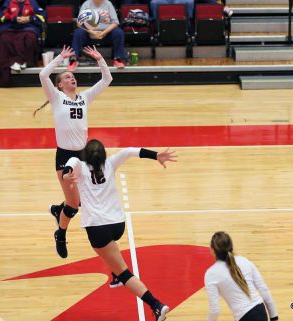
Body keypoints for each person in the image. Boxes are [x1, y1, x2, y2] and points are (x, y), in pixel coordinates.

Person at [62, 139, 176, 321]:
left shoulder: (80, 166)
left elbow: (71, 163)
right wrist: (156, 156)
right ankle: (115, 273)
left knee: (124, 272)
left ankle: (156, 305)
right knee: (112, 255)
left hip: (98, 228)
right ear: (103, 154)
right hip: (117, 225)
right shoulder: (110, 163)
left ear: (85, 156)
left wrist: (67, 173)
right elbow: (131, 150)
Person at [36, 45, 112, 259]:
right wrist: (60, 58)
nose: (72, 79)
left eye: (73, 77)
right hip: (64, 155)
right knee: (74, 204)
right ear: (59, 85)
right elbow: (43, 74)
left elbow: (106, 80)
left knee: (76, 202)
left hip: (82, 156)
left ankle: (57, 213)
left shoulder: (85, 97)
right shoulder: (56, 98)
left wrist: (100, 59)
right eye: (67, 77)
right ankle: (60, 233)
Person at [205, 231, 279, 321]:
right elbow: (263, 289)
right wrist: (274, 317)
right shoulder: (244, 261)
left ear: (212, 250)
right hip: (261, 311)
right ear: (231, 247)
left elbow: (215, 310)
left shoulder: (211, 274)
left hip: (244, 317)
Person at [0, 0, 45, 86]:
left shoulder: (32, 2)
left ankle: (25, 62)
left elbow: (42, 16)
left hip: (28, 27)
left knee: (30, 38)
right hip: (11, 27)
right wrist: (14, 18)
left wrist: (29, 18)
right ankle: (12, 63)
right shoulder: (8, 2)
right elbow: (2, 16)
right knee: (4, 38)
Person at [69, 0, 126, 71]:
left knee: (118, 32)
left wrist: (103, 33)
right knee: (78, 32)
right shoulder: (87, 4)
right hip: (89, 34)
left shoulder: (108, 3)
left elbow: (115, 23)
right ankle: (73, 59)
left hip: (106, 34)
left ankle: (118, 58)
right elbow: (79, 23)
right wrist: (92, 32)